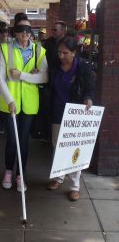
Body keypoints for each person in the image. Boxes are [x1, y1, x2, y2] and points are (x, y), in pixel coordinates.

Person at [0, 12, 48, 192]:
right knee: (12, 139)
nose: (25, 33)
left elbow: (44, 77)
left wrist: (24, 76)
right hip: (10, 103)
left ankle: (21, 175)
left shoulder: (39, 51)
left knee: (24, 140)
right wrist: (9, 100)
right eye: (20, 29)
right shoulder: (4, 49)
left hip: (29, 104)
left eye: (28, 29)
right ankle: (8, 171)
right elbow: (0, 78)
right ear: (14, 32)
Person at [47, 36, 96, 201]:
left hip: (75, 112)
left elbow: (89, 85)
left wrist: (88, 97)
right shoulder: (55, 64)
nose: (61, 56)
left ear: (74, 52)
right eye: (59, 52)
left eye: (65, 53)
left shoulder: (83, 67)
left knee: (75, 148)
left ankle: (75, 186)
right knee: (57, 146)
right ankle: (58, 177)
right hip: (57, 110)